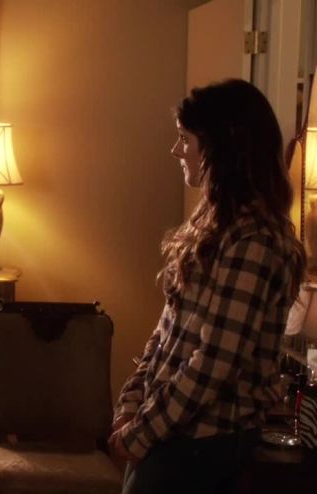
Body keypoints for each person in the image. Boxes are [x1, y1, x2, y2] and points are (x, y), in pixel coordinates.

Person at [109, 79, 306, 494]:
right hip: (168, 427)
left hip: (206, 438)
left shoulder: (255, 243)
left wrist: (141, 433)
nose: (175, 150)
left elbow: (213, 366)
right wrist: (132, 401)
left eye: (185, 139)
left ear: (221, 148)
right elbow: (167, 333)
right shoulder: (213, 226)